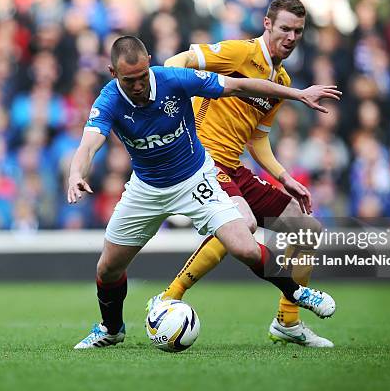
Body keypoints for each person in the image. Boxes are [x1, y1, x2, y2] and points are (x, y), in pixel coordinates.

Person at [68, 35, 341, 349]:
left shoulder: (173, 79)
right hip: (146, 189)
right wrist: (76, 173)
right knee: (108, 267)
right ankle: (111, 329)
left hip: (195, 179)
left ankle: (296, 293)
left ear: (150, 64)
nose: (139, 85)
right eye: (130, 80)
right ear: (113, 73)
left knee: (246, 247)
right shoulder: (108, 100)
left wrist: (297, 94)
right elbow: (88, 145)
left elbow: (239, 86)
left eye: (143, 76)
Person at [152, 0, 335, 347]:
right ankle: (169, 297)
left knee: (306, 229)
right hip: (202, 160)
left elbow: (258, 140)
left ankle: (287, 321)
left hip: (233, 166)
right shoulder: (239, 54)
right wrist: (165, 88)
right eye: (284, 28)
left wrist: (285, 178)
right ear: (267, 25)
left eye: (298, 31)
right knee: (244, 223)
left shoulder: (280, 79)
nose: (291, 36)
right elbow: (185, 59)